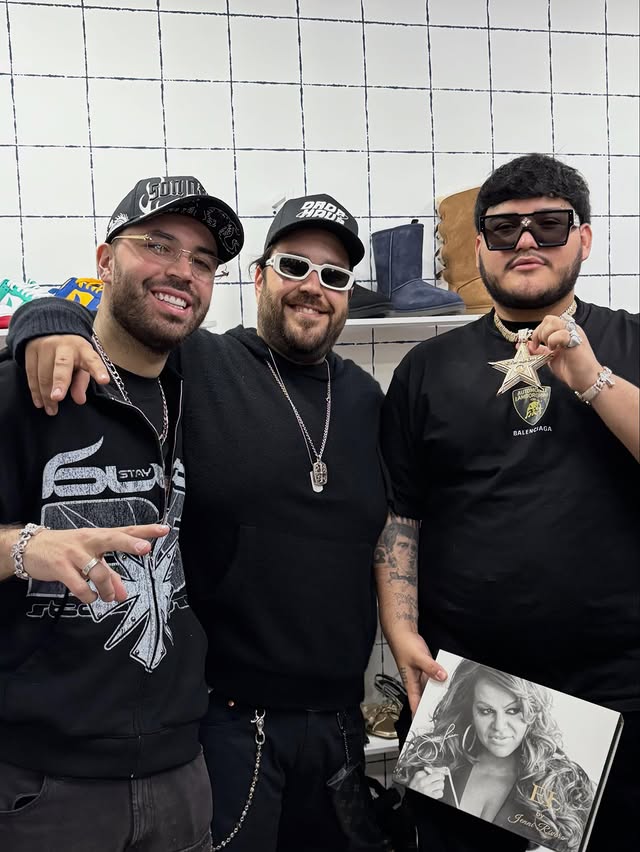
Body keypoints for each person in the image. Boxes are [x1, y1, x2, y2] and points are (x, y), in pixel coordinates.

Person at [3, 193, 389, 851]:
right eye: (295, 265)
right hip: (198, 729)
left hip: (288, 735)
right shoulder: (206, 365)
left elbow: (395, 525)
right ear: (261, 276)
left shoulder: (365, 398)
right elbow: (119, 317)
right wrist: (47, 319)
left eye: (334, 276)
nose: (313, 288)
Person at [374, 153, 639, 852]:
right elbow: (402, 519)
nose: (525, 241)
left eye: (548, 225)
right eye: (503, 228)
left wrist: (591, 376)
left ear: (583, 237)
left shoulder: (632, 345)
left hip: (619, 692)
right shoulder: (427, 369)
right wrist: (402, 634)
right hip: (469, 693)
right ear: (481, 247)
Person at [0, 174, 245, 851]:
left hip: (180, 768)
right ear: (105, 262)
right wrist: (27, 548)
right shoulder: (26, 388)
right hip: (44, 785)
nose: (182, 272)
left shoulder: (212, 387)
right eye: (158, 246)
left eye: (202, 261)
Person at [394, 660, 594, 852]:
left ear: (532, 712)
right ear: (470, 710)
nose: (499, 727)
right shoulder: (434, 765)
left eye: (513, 711)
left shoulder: (562, 783)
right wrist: (416, 803)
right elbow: (406, 838)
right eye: (486, 710)